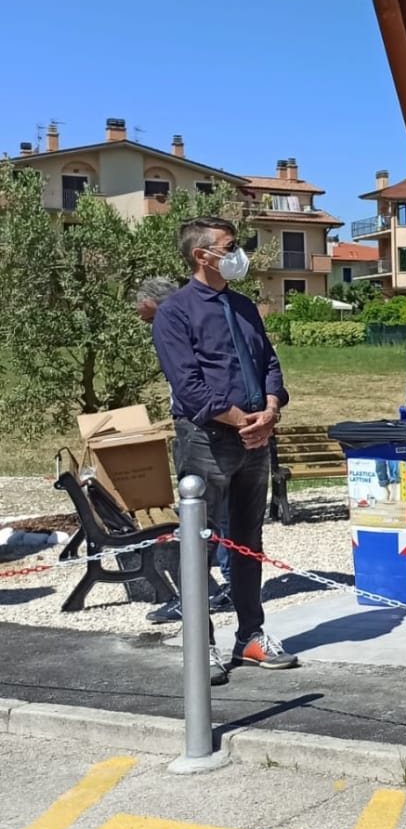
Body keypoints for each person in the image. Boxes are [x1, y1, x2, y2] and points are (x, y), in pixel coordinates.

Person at [151, 219, 297, 684]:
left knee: (248, 542)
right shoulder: (175, 312)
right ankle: (202, 645)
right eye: (231, 247)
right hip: (207, 441)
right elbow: (189, 387)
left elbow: (269, 363)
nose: (240, 255)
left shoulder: (244, 306)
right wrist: (241, 421)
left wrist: (270, 410)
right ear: (203, 256)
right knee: (200, 542)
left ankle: (251, 635)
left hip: (257, 438)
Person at [137, 277, 234, 625]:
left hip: (206, 430)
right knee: (216, 517)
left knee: (203, 517)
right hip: (204, 426)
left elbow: (194, 385)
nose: (147, 326)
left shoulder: (185, 322)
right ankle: (220, 589)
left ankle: (199, 596)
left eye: (149, 318)